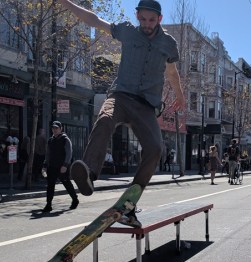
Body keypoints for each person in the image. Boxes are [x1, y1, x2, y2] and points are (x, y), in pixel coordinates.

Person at [61, 0, 185, 226]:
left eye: (152, 20)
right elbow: (94, 20)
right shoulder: (127, 31)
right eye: (143, 19)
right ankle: (89, 173)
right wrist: (66, 3)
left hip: (146, 106)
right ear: (137, 16)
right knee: (105, 119)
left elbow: (172, 72)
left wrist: (180, 96)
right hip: (120, 96)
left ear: (159, 19)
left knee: (156, 148)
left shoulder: (168, 43)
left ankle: (128, 207)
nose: (147, 24)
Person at [41, 120, 80, 213]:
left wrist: (65, 165)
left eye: (56, 128)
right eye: (53, 128)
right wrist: (45, 165)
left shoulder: (65, 139)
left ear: (60, 129)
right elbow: (48, 154)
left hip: (62, 166)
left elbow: (69, 153)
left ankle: (75, 199)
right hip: (52, 166)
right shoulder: (50, 140)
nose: (54, 130)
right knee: (50, 185)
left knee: (67, 184)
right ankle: (48, 204)